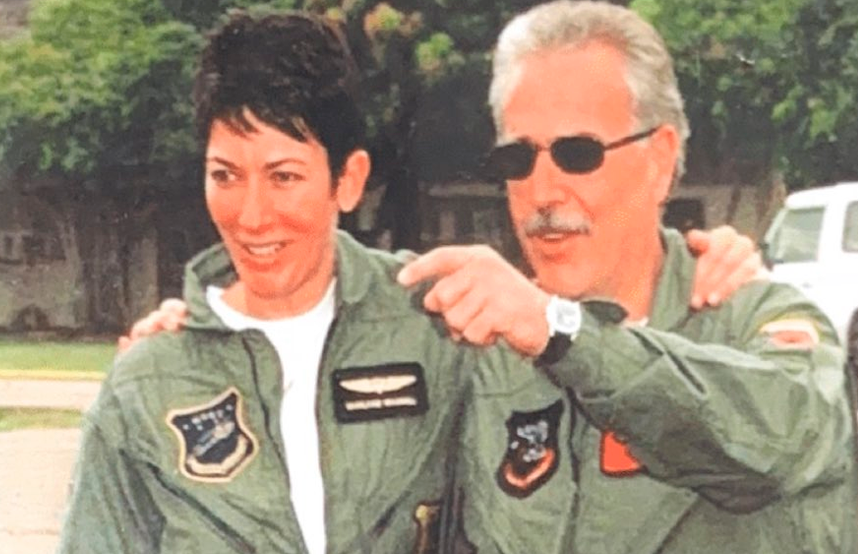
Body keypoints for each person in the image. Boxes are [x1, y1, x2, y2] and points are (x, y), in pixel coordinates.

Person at [67, 9, 764, 554]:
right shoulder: (148, 382)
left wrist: (688, 262)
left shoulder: (438, 320)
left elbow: (600, 362)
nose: (251, 215)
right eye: (225, 175)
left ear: (349, 180)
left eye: (284, 176)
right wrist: (167, 358)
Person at [396, 1, 858, 552]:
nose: (543, 192)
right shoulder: (484, 348)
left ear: (659, 159)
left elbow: (778, 438)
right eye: (518, 159)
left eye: (578, 154)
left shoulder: (752, 321)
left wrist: (561, 334)